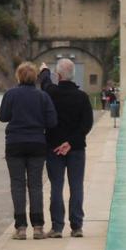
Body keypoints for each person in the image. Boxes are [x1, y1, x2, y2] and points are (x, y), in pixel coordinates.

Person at [0, 61, 57, 240]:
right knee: (36, 185)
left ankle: (21, 227)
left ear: (18, 76)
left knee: (17, 185)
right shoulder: (43, 96)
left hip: (15, 143)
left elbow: (3, 117)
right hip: (37, 143)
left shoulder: (11, 94)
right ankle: (38, 227)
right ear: (35, 77)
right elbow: (52, 121)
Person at [39, 59, 94, 238]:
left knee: (56, 186)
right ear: (73, 75)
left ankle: (57, 227)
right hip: (76, 149)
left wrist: (44, 71)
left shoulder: (52, 93)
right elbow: (87, 124)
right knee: (76, 186)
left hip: (54, 148)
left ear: (59, 75)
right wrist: (70, 143)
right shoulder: (82, 97)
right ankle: (76, 226)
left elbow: (45, 83)